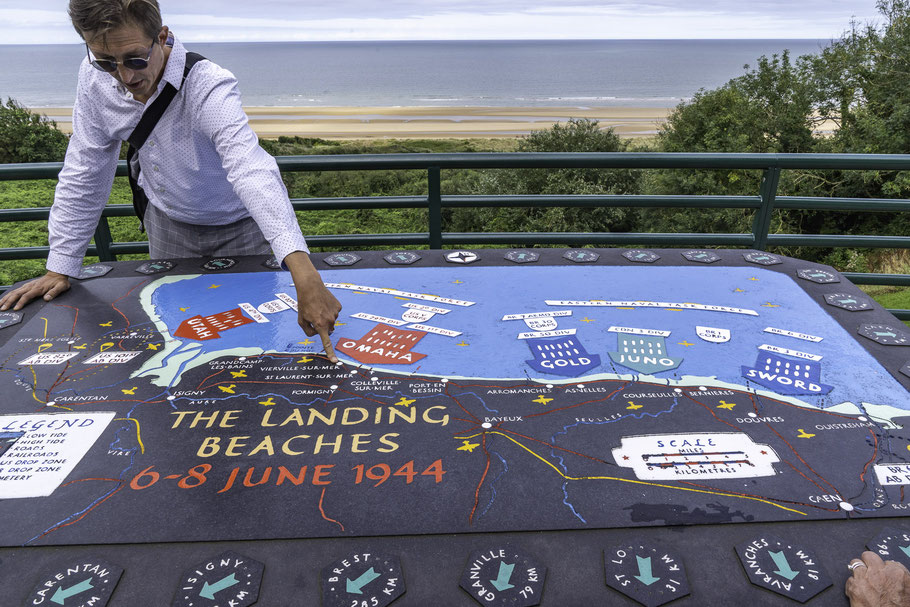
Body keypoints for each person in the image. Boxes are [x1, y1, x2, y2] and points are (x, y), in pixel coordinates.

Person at [0, 0, 341, 362]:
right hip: (168, 222)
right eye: (105, 61)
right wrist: (61, 265)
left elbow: (250, 167)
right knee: (180, 325)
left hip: (240, 224)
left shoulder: (208, 83)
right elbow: (85, 169)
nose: (125, 77)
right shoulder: (93, 78)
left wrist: (303, 273)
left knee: (253, 326)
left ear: (162, 37)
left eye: (134, 59)